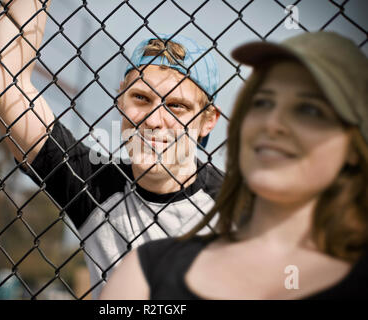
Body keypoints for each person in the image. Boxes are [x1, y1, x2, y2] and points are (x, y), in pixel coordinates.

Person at [0, 1, 223, 298]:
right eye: (142, 98)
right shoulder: (92, 184)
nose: (155, 120)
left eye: (176, 106)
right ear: (121, 98)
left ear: (208, 121)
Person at [100, 31, 368, 300]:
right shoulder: (147, 271)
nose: (272, 123)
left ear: (354, 144)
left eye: (310, 110)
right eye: (263, 102)